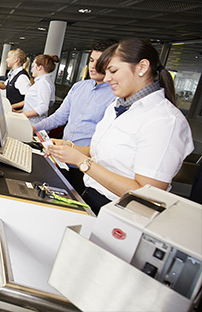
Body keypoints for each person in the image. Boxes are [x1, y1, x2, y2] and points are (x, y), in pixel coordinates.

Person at [47, 38, 194, 214]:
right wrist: (70, 148)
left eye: (113, 71)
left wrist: (81, 161)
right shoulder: (117, 106)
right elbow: (101, 154)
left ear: (142, 67)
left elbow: (145, 195)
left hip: (121, 213)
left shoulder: (165, 120)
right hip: (91, 197)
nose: (107, 78)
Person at [33, 40, 117, 193]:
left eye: (99, 62)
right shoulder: (79, 87)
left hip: (87, 167)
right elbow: (58, 117)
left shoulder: (116, 96)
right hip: (60, 158)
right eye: (91, 60)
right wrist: (31, 128)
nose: (93, 66)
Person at [14, 54, 58, 124]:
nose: (32, 70)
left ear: (39, 67)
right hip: (30, 122)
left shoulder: (43, 83)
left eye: (33, 66)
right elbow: (32, 104)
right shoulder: (43, 81)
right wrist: (17, 113)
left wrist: (20, 116)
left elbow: (42, 108)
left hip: (34, 123)